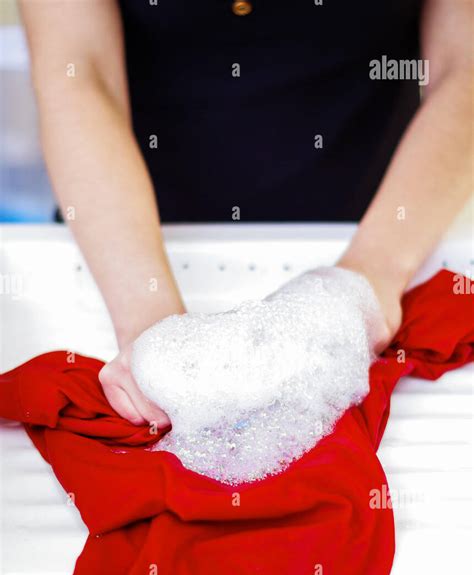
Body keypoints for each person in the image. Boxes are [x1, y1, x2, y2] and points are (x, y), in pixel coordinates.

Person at [20, 0, 473, 428]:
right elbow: (80, 70)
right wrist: (154, 335)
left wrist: (370, 276)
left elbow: (465, 70)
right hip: (119, 240)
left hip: (386, 220)